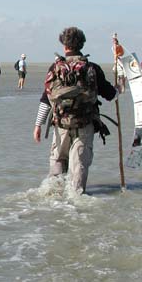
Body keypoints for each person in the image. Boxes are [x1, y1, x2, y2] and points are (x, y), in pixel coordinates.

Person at [33, 27, 119, 195]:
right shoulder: (92, 68)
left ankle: (55, 196)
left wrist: (38, 125)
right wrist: (118, 90)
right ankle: (76, 200)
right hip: (84, 125)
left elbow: (46, 98)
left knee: (58, 161)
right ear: (82, 44)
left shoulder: (55, 67)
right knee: (78, 165)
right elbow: (110, 94)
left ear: (64, 45)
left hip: (60, 125)